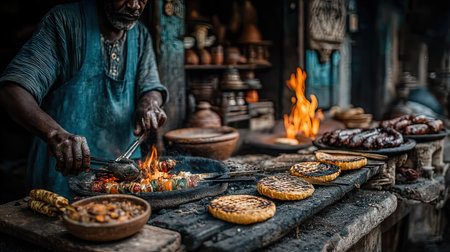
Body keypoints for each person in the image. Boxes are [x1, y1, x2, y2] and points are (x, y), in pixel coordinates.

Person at [0, 0, 168, 197]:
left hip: (124, 181)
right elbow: (13, 90)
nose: (134, 5)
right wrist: (55, 134)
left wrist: (149, 104)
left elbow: (151, 87)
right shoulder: (64, 22)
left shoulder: (140, 35)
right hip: (63, 176)